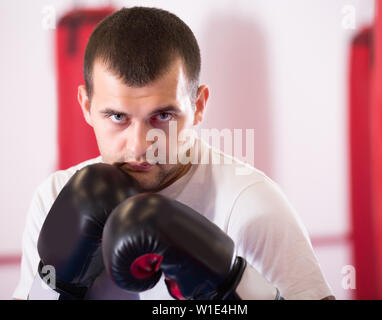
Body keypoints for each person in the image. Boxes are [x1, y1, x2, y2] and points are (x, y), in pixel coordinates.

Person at [13, 6, 335, 300]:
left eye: (162, 116)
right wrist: (56, 285)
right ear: (86, 106)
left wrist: (233, 288)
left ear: (198, 106)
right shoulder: (54, 197)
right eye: (117, 117)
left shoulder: (251, 205)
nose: (139, 146)